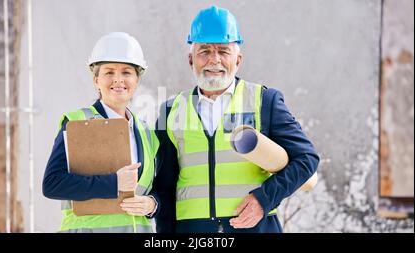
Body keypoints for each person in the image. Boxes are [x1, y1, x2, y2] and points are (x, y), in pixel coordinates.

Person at [152, 6, 319, 233]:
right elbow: (164, 186)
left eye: (223, 51)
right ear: (191, 60)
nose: (214, 60)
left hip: (255, 228)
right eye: (205, 51)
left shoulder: (264, 101)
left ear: (238, 59)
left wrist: (264, 199)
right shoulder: (170, 111)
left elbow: (306, 158)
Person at [42, 32, 159, 233]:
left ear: (137, 80)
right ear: (96, 80)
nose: (118, 80)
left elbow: (159, 187)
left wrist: (152, 204)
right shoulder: (77, 122)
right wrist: (113, 183)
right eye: (109, 72)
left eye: (126, 72)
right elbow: (52, 184)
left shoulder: (147, 133)